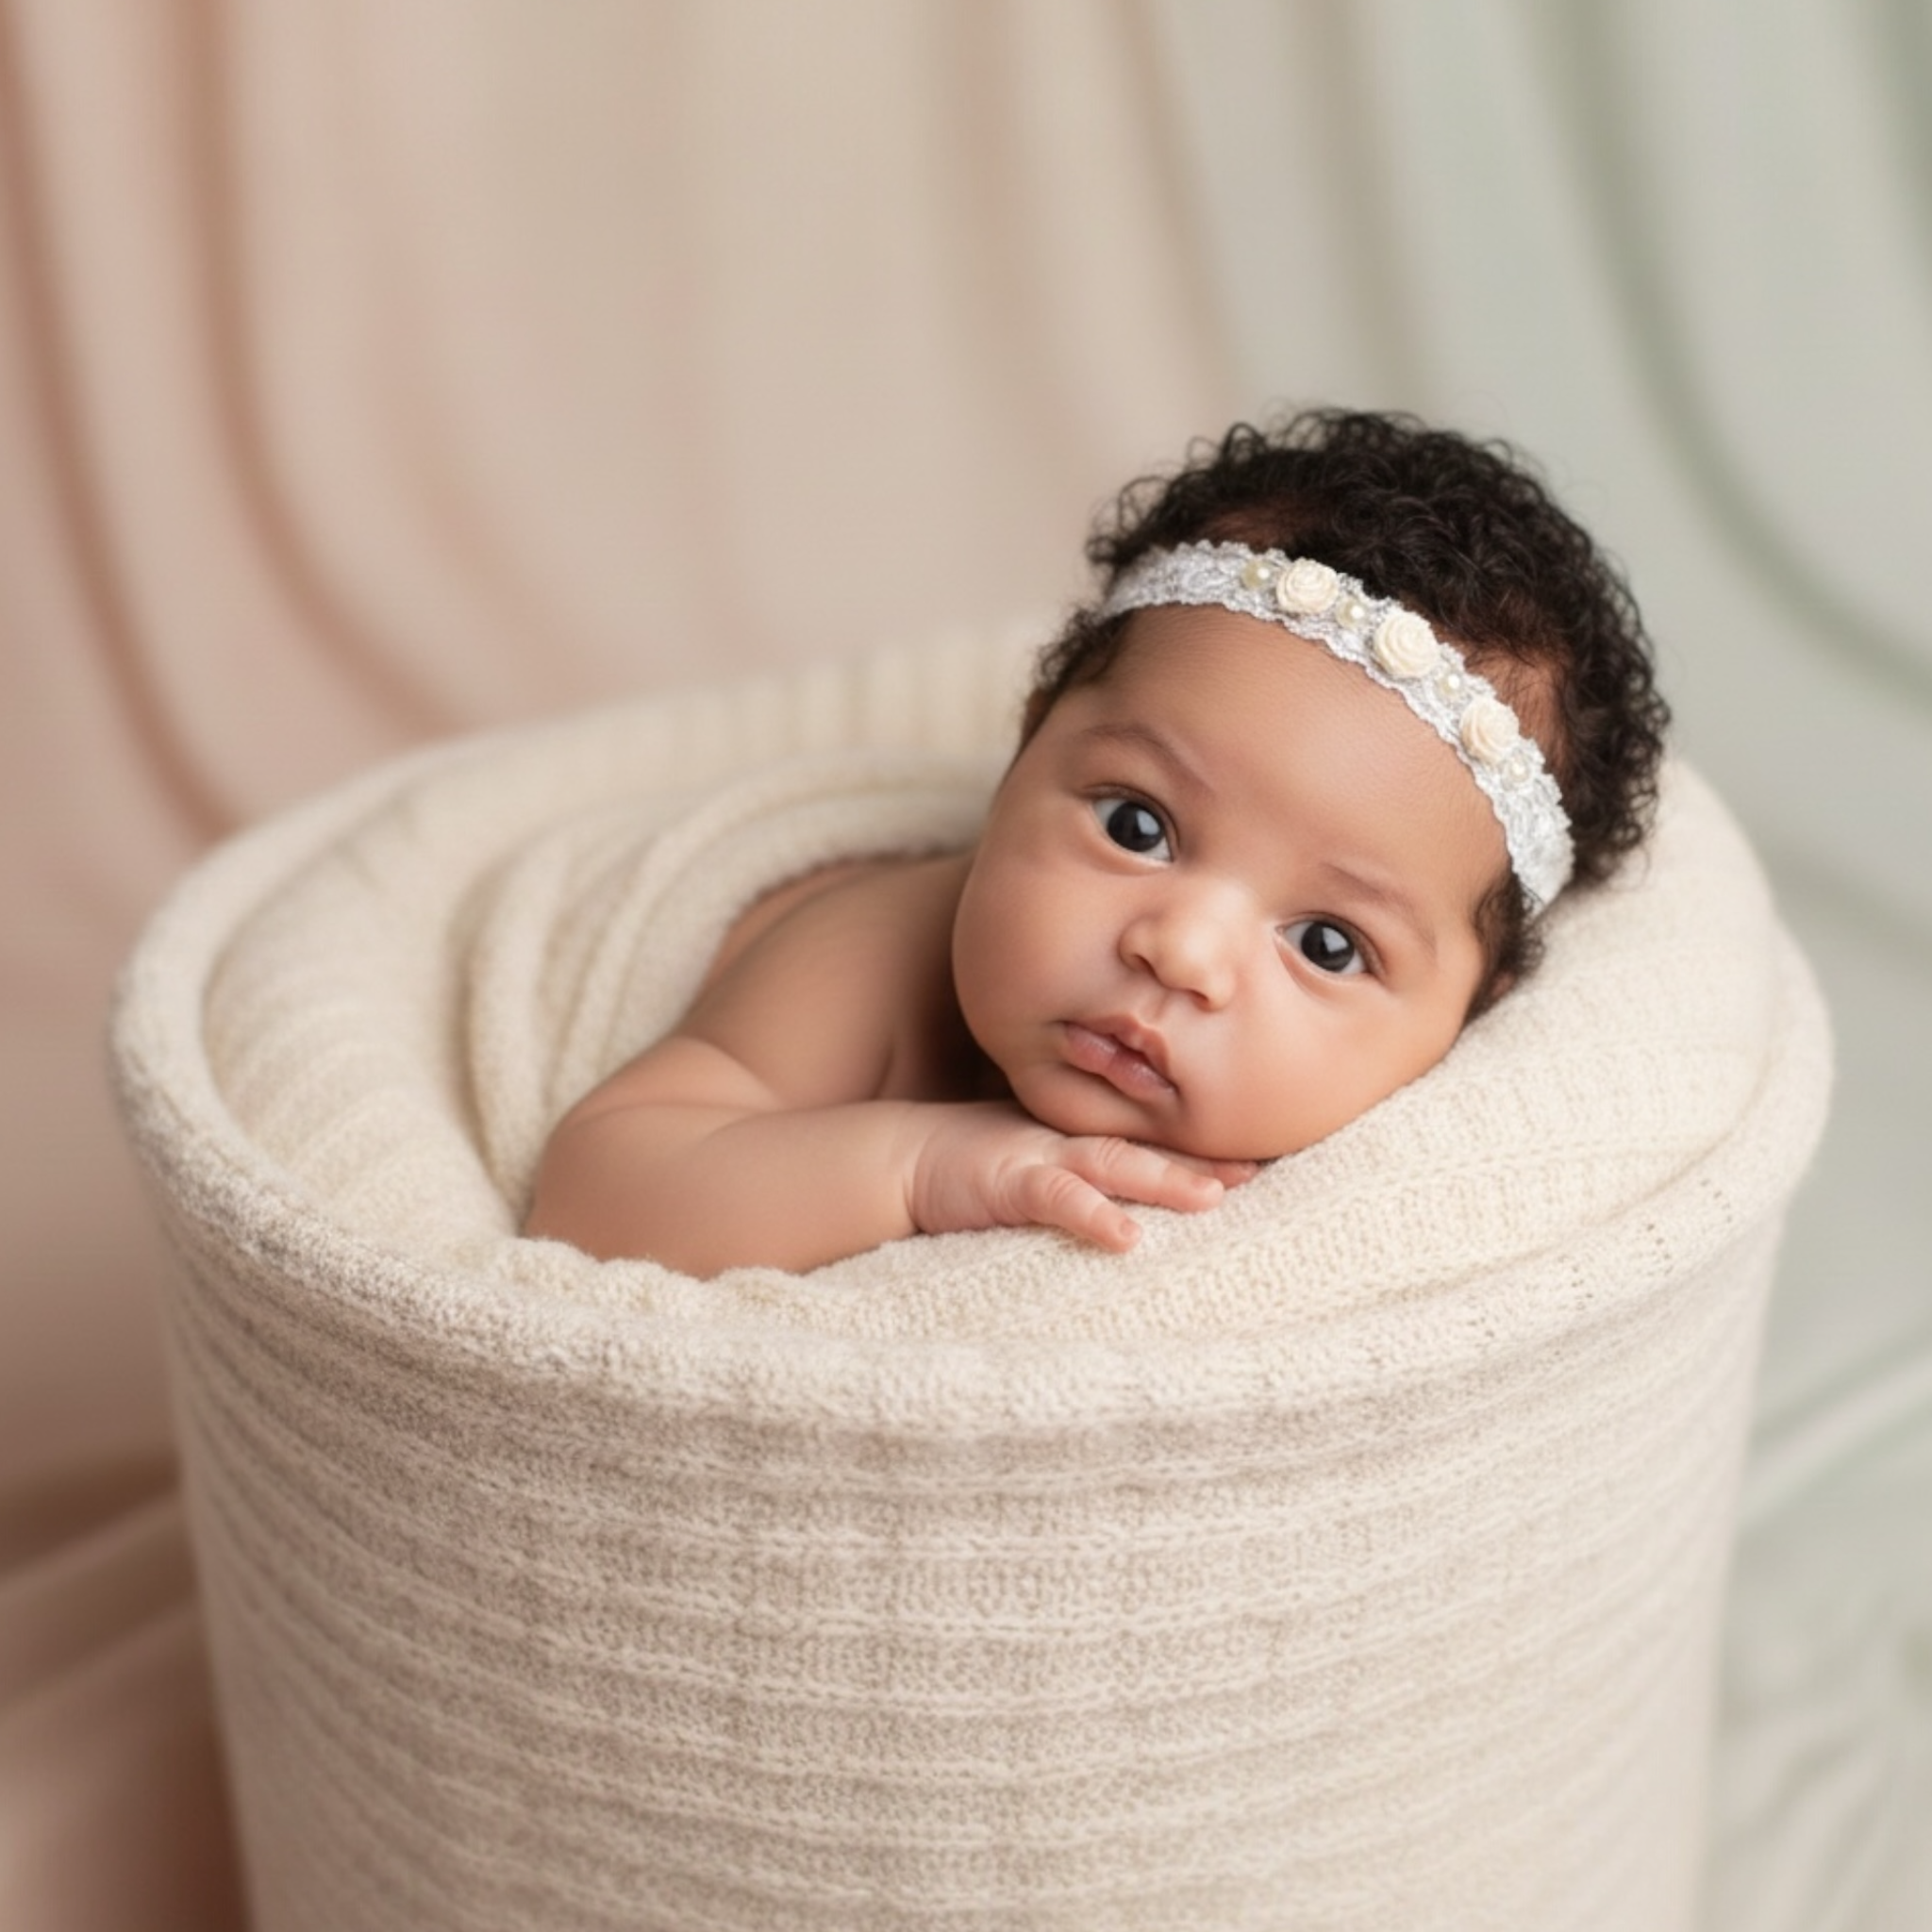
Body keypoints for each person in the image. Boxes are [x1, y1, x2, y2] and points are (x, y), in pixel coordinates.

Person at [525, 409, 1668, 1275]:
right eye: (1137, 825)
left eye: (1326, 943)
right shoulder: (870, 955)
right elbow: (595, 1191)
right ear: (1028, 744)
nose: (1181, 952)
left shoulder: (1399, 1186)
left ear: (1467, 1012)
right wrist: (918, 1167)